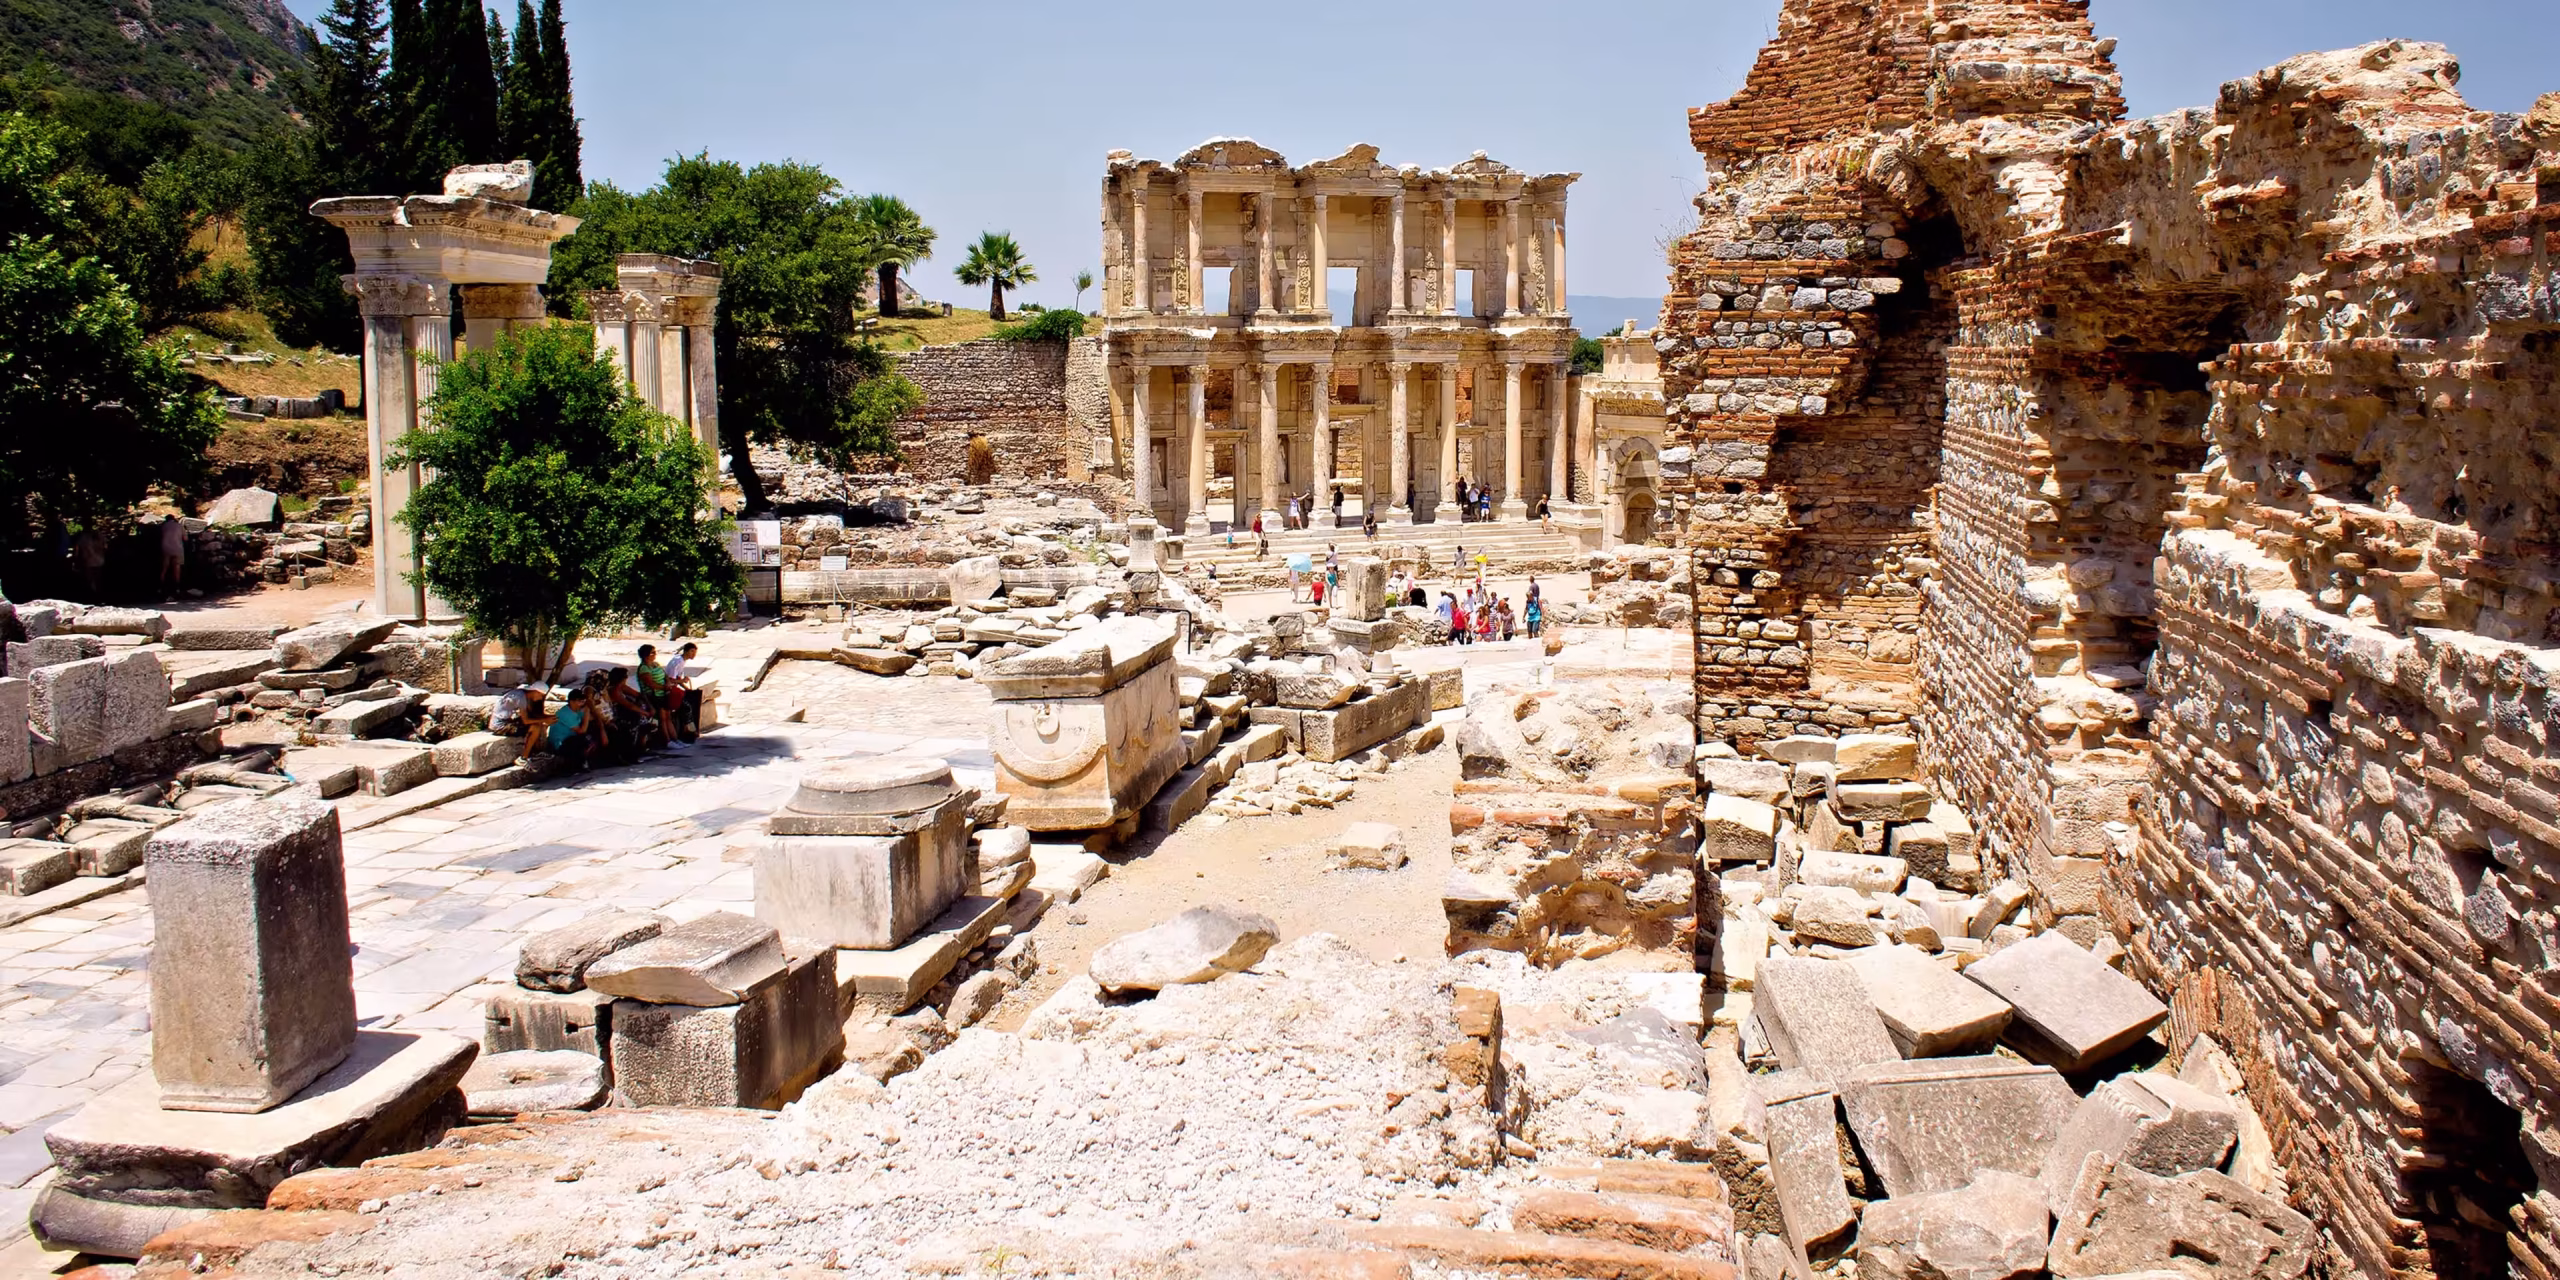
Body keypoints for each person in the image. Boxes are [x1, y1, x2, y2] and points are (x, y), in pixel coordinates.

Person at [635, 644, 687, 749]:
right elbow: (650, 684)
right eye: (653, 653)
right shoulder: (644, 668)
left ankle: (675, 739)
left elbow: (665, 676)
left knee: (668, 717)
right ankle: (667, 741)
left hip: (663, 694)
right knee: (663, 718)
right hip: (654, 695)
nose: (655, 654)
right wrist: (664, 687)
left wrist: (667, 683)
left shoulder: (656, 664)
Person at [545, 687, 596, 770]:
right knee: (583, 739)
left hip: (570, 738)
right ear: (572, 702)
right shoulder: (565, 713)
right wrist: (587, 713)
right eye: (579, 701)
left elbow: (590, 719)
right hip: (561, 743)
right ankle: (581, 763)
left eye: (583, 701)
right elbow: (582, 731)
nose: (582, 703)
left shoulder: (576, 710)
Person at [665, 642, 704, 743]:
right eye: (692, 652)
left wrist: (687, 688)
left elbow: (678, 679)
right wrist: (683, 681)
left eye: (695, 652)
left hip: (674, 688)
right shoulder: (677, 661)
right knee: (686, 708)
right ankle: (688, 731)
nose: (694, 654)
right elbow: (671, 679)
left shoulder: (682, 661)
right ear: (687, 651)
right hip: (669, 690)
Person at [157, 515, 187, 592]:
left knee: (164, 568)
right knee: (177, 567)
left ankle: (160, 587)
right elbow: (185, 538)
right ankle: (177, 587)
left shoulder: (163, 526)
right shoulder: (179, 526)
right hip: (177, 548)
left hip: (165, 548)